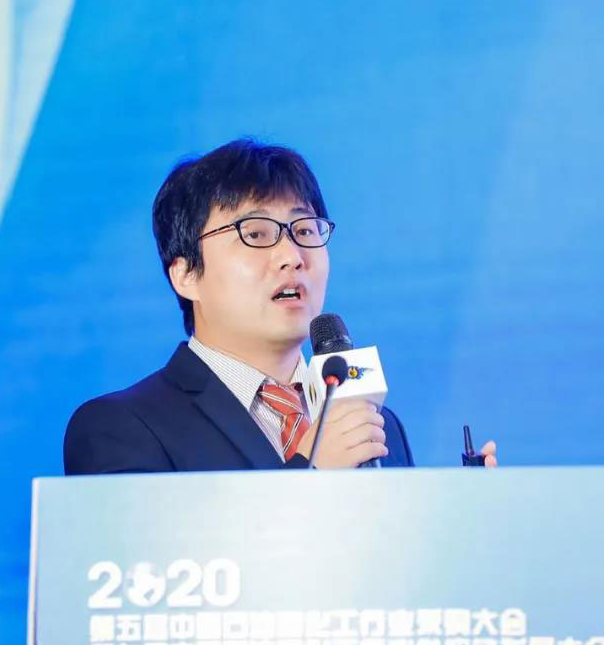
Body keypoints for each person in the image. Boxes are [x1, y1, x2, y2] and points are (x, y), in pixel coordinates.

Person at [63, 139, 496, 474]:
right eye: (256, 234)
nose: (292, 256)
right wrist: (309, 476)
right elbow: (157, 563)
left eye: (304, 230)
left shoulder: (374, 425)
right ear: (186, 274)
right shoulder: (122, 427)